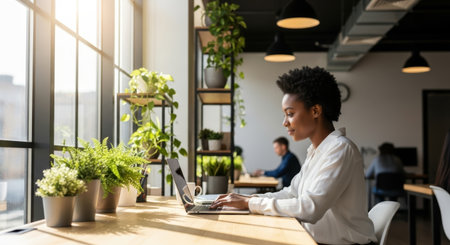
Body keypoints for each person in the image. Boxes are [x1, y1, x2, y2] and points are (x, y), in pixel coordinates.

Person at [211, 66, 376, 244]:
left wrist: (250, 204)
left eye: (290, 114)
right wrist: (249, 199)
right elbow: (292, 193)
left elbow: (310, 208)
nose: (284, 122)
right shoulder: (316, 151)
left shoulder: (341, 149)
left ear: (315, 111)